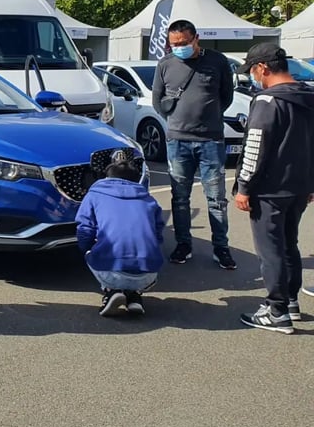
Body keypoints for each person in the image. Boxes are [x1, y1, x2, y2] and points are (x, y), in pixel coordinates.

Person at [233, 44, 314, 334]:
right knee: (289, 244)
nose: (253, 77)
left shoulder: (267, 101)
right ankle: (290, 300)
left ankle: (276, 310)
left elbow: (256, 146)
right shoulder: (308, 96)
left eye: (253, 70)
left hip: (269, 189)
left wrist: (243, 187)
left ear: (263, 68)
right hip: (300, 186)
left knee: (271, 250)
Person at [152, 19, 237, 270]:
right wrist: (177, 121)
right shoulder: (165, 64)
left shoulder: (217, 61)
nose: (178, 47)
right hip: (177, 141)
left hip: (210, 139)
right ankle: (183, 244)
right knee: (179, 198)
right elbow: (157, 100)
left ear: (196, 38)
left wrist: (207, 117)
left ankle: (221, 248)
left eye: (183, 43)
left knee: (216, 199)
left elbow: (226, 97)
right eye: (173, 44)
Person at [75, 154, 164, 317]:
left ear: (107, 176)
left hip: (111, 271)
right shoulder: (148, 199)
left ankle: (111, 291)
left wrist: (86, 249)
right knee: (134, 252)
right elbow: (158, 234)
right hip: (149, 272)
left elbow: (85, 229)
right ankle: (134, 296)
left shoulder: (95, 194)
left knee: (94, 251)